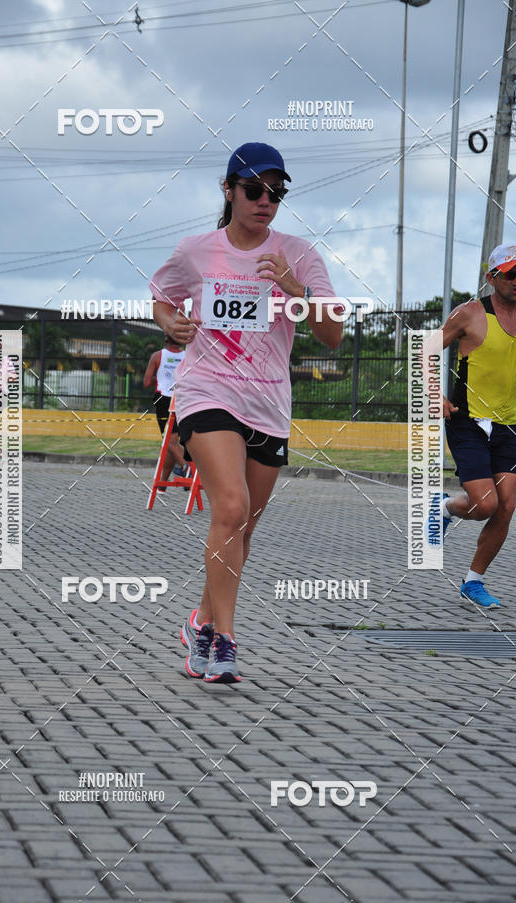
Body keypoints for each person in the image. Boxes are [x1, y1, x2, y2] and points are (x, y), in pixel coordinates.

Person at [150, 141, 342, 682]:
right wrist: (171, 324)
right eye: (254, 190)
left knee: (243, 525)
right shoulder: (197, 252)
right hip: (206, 392)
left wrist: (293, 289)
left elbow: (331, 335)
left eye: (275, 193)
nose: (265, 201)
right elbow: (163, 297)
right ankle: (224, 641)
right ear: (229, 190)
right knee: (229, 507)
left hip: (268, 403)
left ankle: (202, 620)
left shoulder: (298, 254)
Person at [432, 243, 516, 608]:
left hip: (510, 426)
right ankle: (446, 508)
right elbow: (428, 348)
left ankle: (473, 582)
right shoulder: (470, 314)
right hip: (469, 422)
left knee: (506, 505)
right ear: (492, 277)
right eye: (512, 274)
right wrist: (435, 393)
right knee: (484, 504)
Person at [143, 334, 187, 487]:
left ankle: (186, 467)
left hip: (164, 399)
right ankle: (162, 482)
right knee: (173, 441)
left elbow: (147, 382)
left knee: (169, 440)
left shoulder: (157, 356)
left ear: (166, 339)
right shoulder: (188, 357)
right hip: (183, 399)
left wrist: (160, 377)